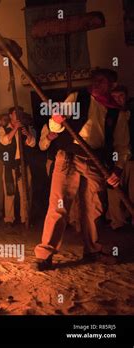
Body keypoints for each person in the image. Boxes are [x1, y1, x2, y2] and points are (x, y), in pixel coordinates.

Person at [33, 69, 130, 271]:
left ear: (111, 86)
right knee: (59, 205)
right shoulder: (77, 98)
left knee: (94, 208)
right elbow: (56, 126)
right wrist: (56, 121)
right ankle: (45, 254)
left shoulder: (116, 113)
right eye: (94, 79)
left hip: (96, 162)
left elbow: (122, 146)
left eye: (102, 81)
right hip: (69, 156)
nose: (96, 83)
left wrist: (117, 169)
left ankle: (93, 249)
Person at [0, 107, 36, 228]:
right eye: (16, 113)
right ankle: (9, 219)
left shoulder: (25, 128)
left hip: (23, 165)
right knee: (9, 193)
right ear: (11, 115)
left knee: (25, 192)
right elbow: (4, 141)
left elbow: (32, 143)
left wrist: (28, 135)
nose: (18, 115)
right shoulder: (3, 128)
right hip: (9, 166)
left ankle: (25, 218)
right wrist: (15, 128)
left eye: (20, 113)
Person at [107, 85, 133, 231]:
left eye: (121, 96)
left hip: (132, 160)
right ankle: (117, 222)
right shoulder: (108, 115)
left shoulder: (131, 113)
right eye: (115, 97)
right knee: (114, 192)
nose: (118, 99)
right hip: (114, 159)